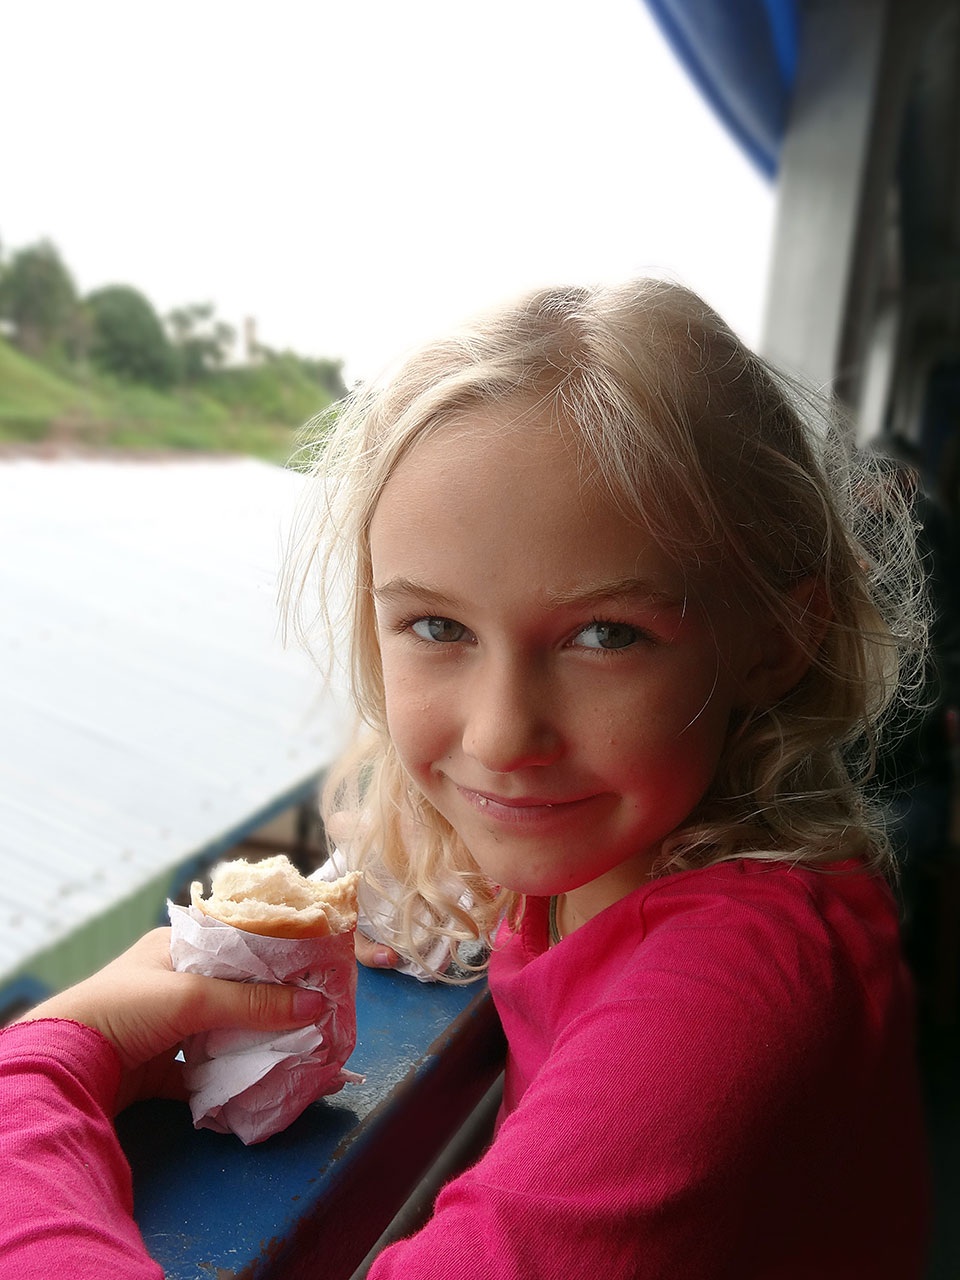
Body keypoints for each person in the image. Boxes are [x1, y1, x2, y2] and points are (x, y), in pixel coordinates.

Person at [0, 280, 931, 1277]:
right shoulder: (609, 861)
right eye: (438, 626)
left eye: (606, 635)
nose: (500, 735)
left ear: (776, 639)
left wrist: (44, 1062)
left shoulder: (731, 995)